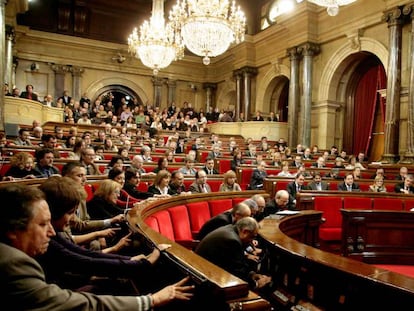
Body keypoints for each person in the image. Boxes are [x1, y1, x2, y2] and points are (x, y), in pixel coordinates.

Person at [0, 183, 193, 310]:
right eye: (43, 224)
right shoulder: (13, 264)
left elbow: (80, 255)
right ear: (13, 229)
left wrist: (129, 260)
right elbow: (78, 293)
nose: (50, 232)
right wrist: (152, 300)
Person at [195, 217, 272, 289]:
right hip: (204, 276)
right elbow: (235, 271)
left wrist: (251, 274)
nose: (251, 241)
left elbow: (236, 263)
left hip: (207, 266)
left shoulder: (232, 228)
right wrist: (256, 284)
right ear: (245, 232)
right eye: (252, 237)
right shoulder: (233, 241)